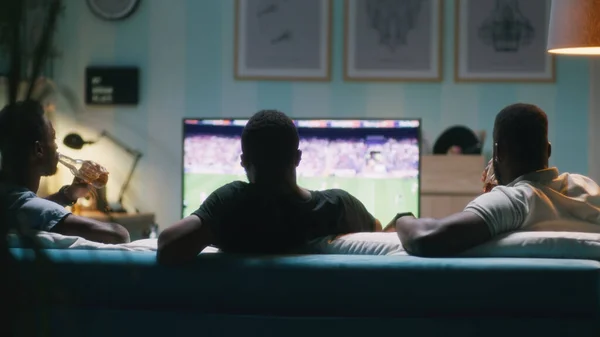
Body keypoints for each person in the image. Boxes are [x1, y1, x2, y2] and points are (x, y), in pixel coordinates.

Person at [158, 110, 381, 263]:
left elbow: (168, 246)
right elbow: (377, 234)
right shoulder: (339, 205)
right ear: (298, 157)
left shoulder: (230, 203)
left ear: (244, 161)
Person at [395, 103, 600, 257]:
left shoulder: (515, 200)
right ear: (548, 150)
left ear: (498, 151)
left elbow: (425, 238)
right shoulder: (586, 186)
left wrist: (403, 219)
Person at [0, 100, 130, 244]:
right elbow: (118, 235)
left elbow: (29, 205)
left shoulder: (9, 199)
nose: (56, 147)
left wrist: (68, 195)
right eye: (53, 138)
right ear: (39, 150)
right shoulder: (29, 209)